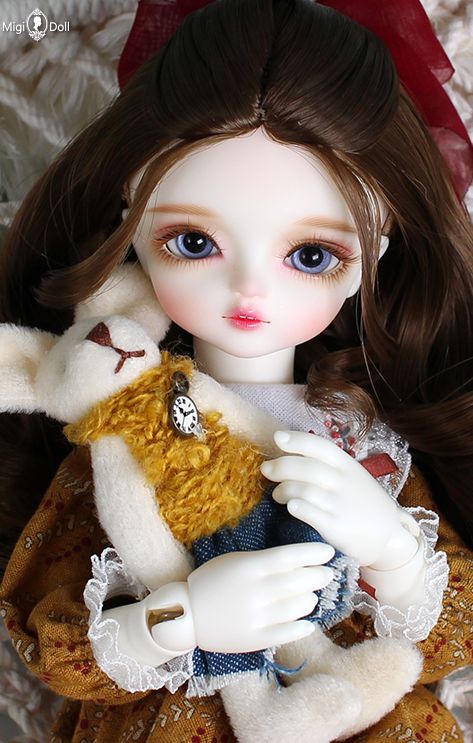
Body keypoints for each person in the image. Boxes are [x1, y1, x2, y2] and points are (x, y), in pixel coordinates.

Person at [0, 0, 472, 740]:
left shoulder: (358, 441)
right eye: (193, 242)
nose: (249, 291)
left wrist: (393, 553)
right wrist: (182, 618)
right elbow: (52, 642)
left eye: (311, 255)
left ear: (374, 250)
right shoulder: (125, 424)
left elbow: (446, 640)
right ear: (133, 215)